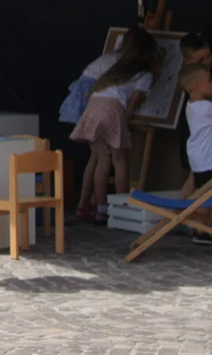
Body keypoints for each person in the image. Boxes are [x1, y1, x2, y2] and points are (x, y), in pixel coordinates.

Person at [70, 28, 159, 222]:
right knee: (120, 161)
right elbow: (132, 104)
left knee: (102, 160)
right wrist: (124, 122)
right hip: (112, 110)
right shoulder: (144, 74)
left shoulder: (114, 68)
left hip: (93, 107)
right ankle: (122, 208)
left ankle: (102, 209)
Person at [179, 63, 212, 244]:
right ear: (198, 86)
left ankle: (201, 231)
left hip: (199, 160)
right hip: (208, 161)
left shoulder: (191, 106)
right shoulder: (206, 108)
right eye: (210, 82)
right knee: (206, 202)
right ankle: (195, 221)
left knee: (203, 194)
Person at [178, 34, 212, 200]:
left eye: (209, 56)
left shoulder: (193, 102)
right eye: (201, 60)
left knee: (195, 182)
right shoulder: (203, 105)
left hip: (200, 157)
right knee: (202, 197)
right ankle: (186, 213)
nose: (207, 62)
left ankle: (180, 214)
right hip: (206, 157)